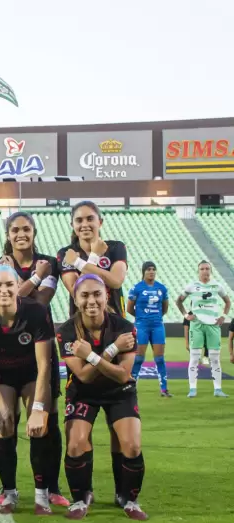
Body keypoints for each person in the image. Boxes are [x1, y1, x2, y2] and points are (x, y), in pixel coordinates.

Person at [0, 211, 68, 507]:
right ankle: (7, 488)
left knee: (48, 419)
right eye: (15, 230)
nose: (21, 234)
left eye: (26, 229)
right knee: (4, 419)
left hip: (40, 348)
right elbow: (2, 302)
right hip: (4, 352)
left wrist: (28, 279)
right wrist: (34, 278)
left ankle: (53, 486)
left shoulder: (49, 262)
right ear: (7, 235)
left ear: (34, 232)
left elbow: (35, 304)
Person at [57, 274, 147, 521]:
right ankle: (81, 497)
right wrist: (112, 350)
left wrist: (96, 355)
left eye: (97, 293)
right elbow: (84, 376)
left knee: (131, 444)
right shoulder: (67, 331)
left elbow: (123, 375)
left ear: (107, 295)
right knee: (76, 442)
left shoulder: (125, 328)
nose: (91, 300)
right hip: (83, 393)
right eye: (84, 295)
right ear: (75, 299)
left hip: (119, 393)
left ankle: (127, 498)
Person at [0, 266, 59, 515]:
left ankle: (42, 495)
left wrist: (39, 409)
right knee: (3, 423)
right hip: (1, 375)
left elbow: (44, 365)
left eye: (9, 284)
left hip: (33, 373)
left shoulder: (35, 312)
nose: (3, 290)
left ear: (18, 286)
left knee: (39, 427)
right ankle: (9, 492)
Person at [57, 200, 128, 499]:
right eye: (79, 220)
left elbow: (116, 280)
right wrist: (89, 264)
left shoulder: (114, 247)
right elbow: (78, 290)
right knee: (84, 381)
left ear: (100, 221)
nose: (84, 224)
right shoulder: (65, 254)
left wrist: (86, 261)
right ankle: (83, 492)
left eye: (90, 218)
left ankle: (122, 490)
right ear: (72, 225)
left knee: (119, 429)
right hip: (83, 331)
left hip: (115, 328)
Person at [176, 261, 231, 398]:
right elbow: (179, 301)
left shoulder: (217, 286)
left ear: (211, 271)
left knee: (214, 358)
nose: (205, 271)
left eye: (207, 269)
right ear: (198, 271)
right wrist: (186, 315)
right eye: (202, 269)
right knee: (194, 357)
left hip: (213, 325)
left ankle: (218, 389)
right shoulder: (192, 286)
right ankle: (192, 389)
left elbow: (228, 301)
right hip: (197, 325)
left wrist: (223, 316)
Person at [127, 261, 171, 396]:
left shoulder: (162, 288)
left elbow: (164, 308)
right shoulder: (137, 288)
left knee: (159, 358)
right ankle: (132, 387)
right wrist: (141, 317)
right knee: (139, 358)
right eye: (148, 269)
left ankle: (164, 389)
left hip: (157, 325)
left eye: (153, 269)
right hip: (142, 326)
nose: (151, 272)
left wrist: (155, 317)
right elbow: (129, 308)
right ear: (143, 272)